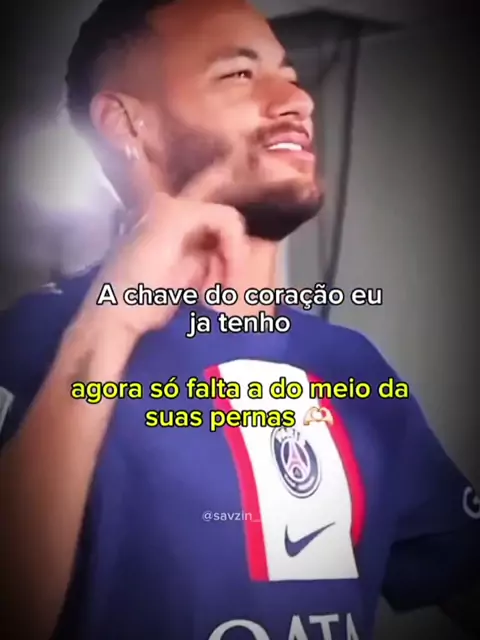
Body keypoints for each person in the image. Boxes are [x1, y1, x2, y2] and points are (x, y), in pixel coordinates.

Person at [0, 0, 479, 638]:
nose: (298, 100)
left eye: (290, 76)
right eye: (239, 75)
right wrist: (108, 326)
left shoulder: (352, 367)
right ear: (128, 123)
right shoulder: (38, 340)